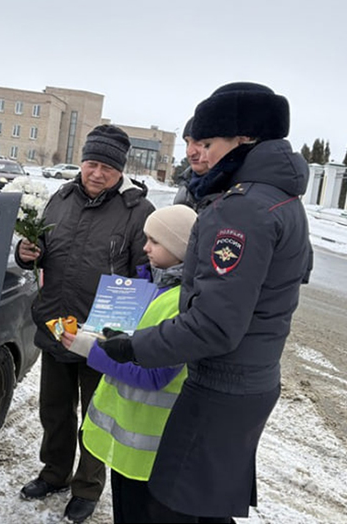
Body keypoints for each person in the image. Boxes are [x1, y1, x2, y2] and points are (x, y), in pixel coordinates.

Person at [98, 82, 313, 523]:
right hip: (252, 378)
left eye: (208, 142)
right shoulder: (281, 199)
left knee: (172, 506)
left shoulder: (243, 208)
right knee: (208, 505)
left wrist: (135, 345)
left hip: (221, 384)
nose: (200, 153)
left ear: (244, 140)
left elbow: (214, 324)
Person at [15, 124, 155, 523]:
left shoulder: (137, 211)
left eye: (106, 167)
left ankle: (87, 486)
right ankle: (54, 472)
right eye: (91, 163)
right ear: (82, 161)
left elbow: (147, 273)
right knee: (54, 411)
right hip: (57, 324)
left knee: (97, 416)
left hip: (100, 336)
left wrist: (122, 329)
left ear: (120, 170)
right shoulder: (59, 199)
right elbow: (40, 252)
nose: (96, 173)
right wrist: (26, 253)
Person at [60, 204, 197, 524]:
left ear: (179, 248)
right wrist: (99, 333)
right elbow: (132, 341)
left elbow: (155, 375)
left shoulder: (181, 303)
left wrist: (92, 350)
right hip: (130, 441)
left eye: (155, 241)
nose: (145, 247)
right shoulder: (156, 288)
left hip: (149, 448)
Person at [173, 116, 210, 208]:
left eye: (198, 142)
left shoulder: (235, 192)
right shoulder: (185, 187)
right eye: (187, 143)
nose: (190, 152)